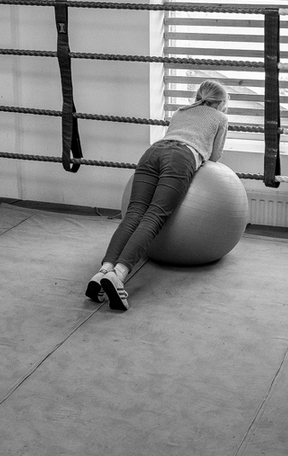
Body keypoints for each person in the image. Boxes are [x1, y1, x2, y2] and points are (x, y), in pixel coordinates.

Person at [85, 80, 230, 312]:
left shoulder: (181, 111)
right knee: (154, 216)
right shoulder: (220, 118)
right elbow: (214, 156)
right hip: (181, 158)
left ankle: (103, 271)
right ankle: (118, 275)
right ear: (221, 103)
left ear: (198, 96)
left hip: (153, 152)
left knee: (133, 214)